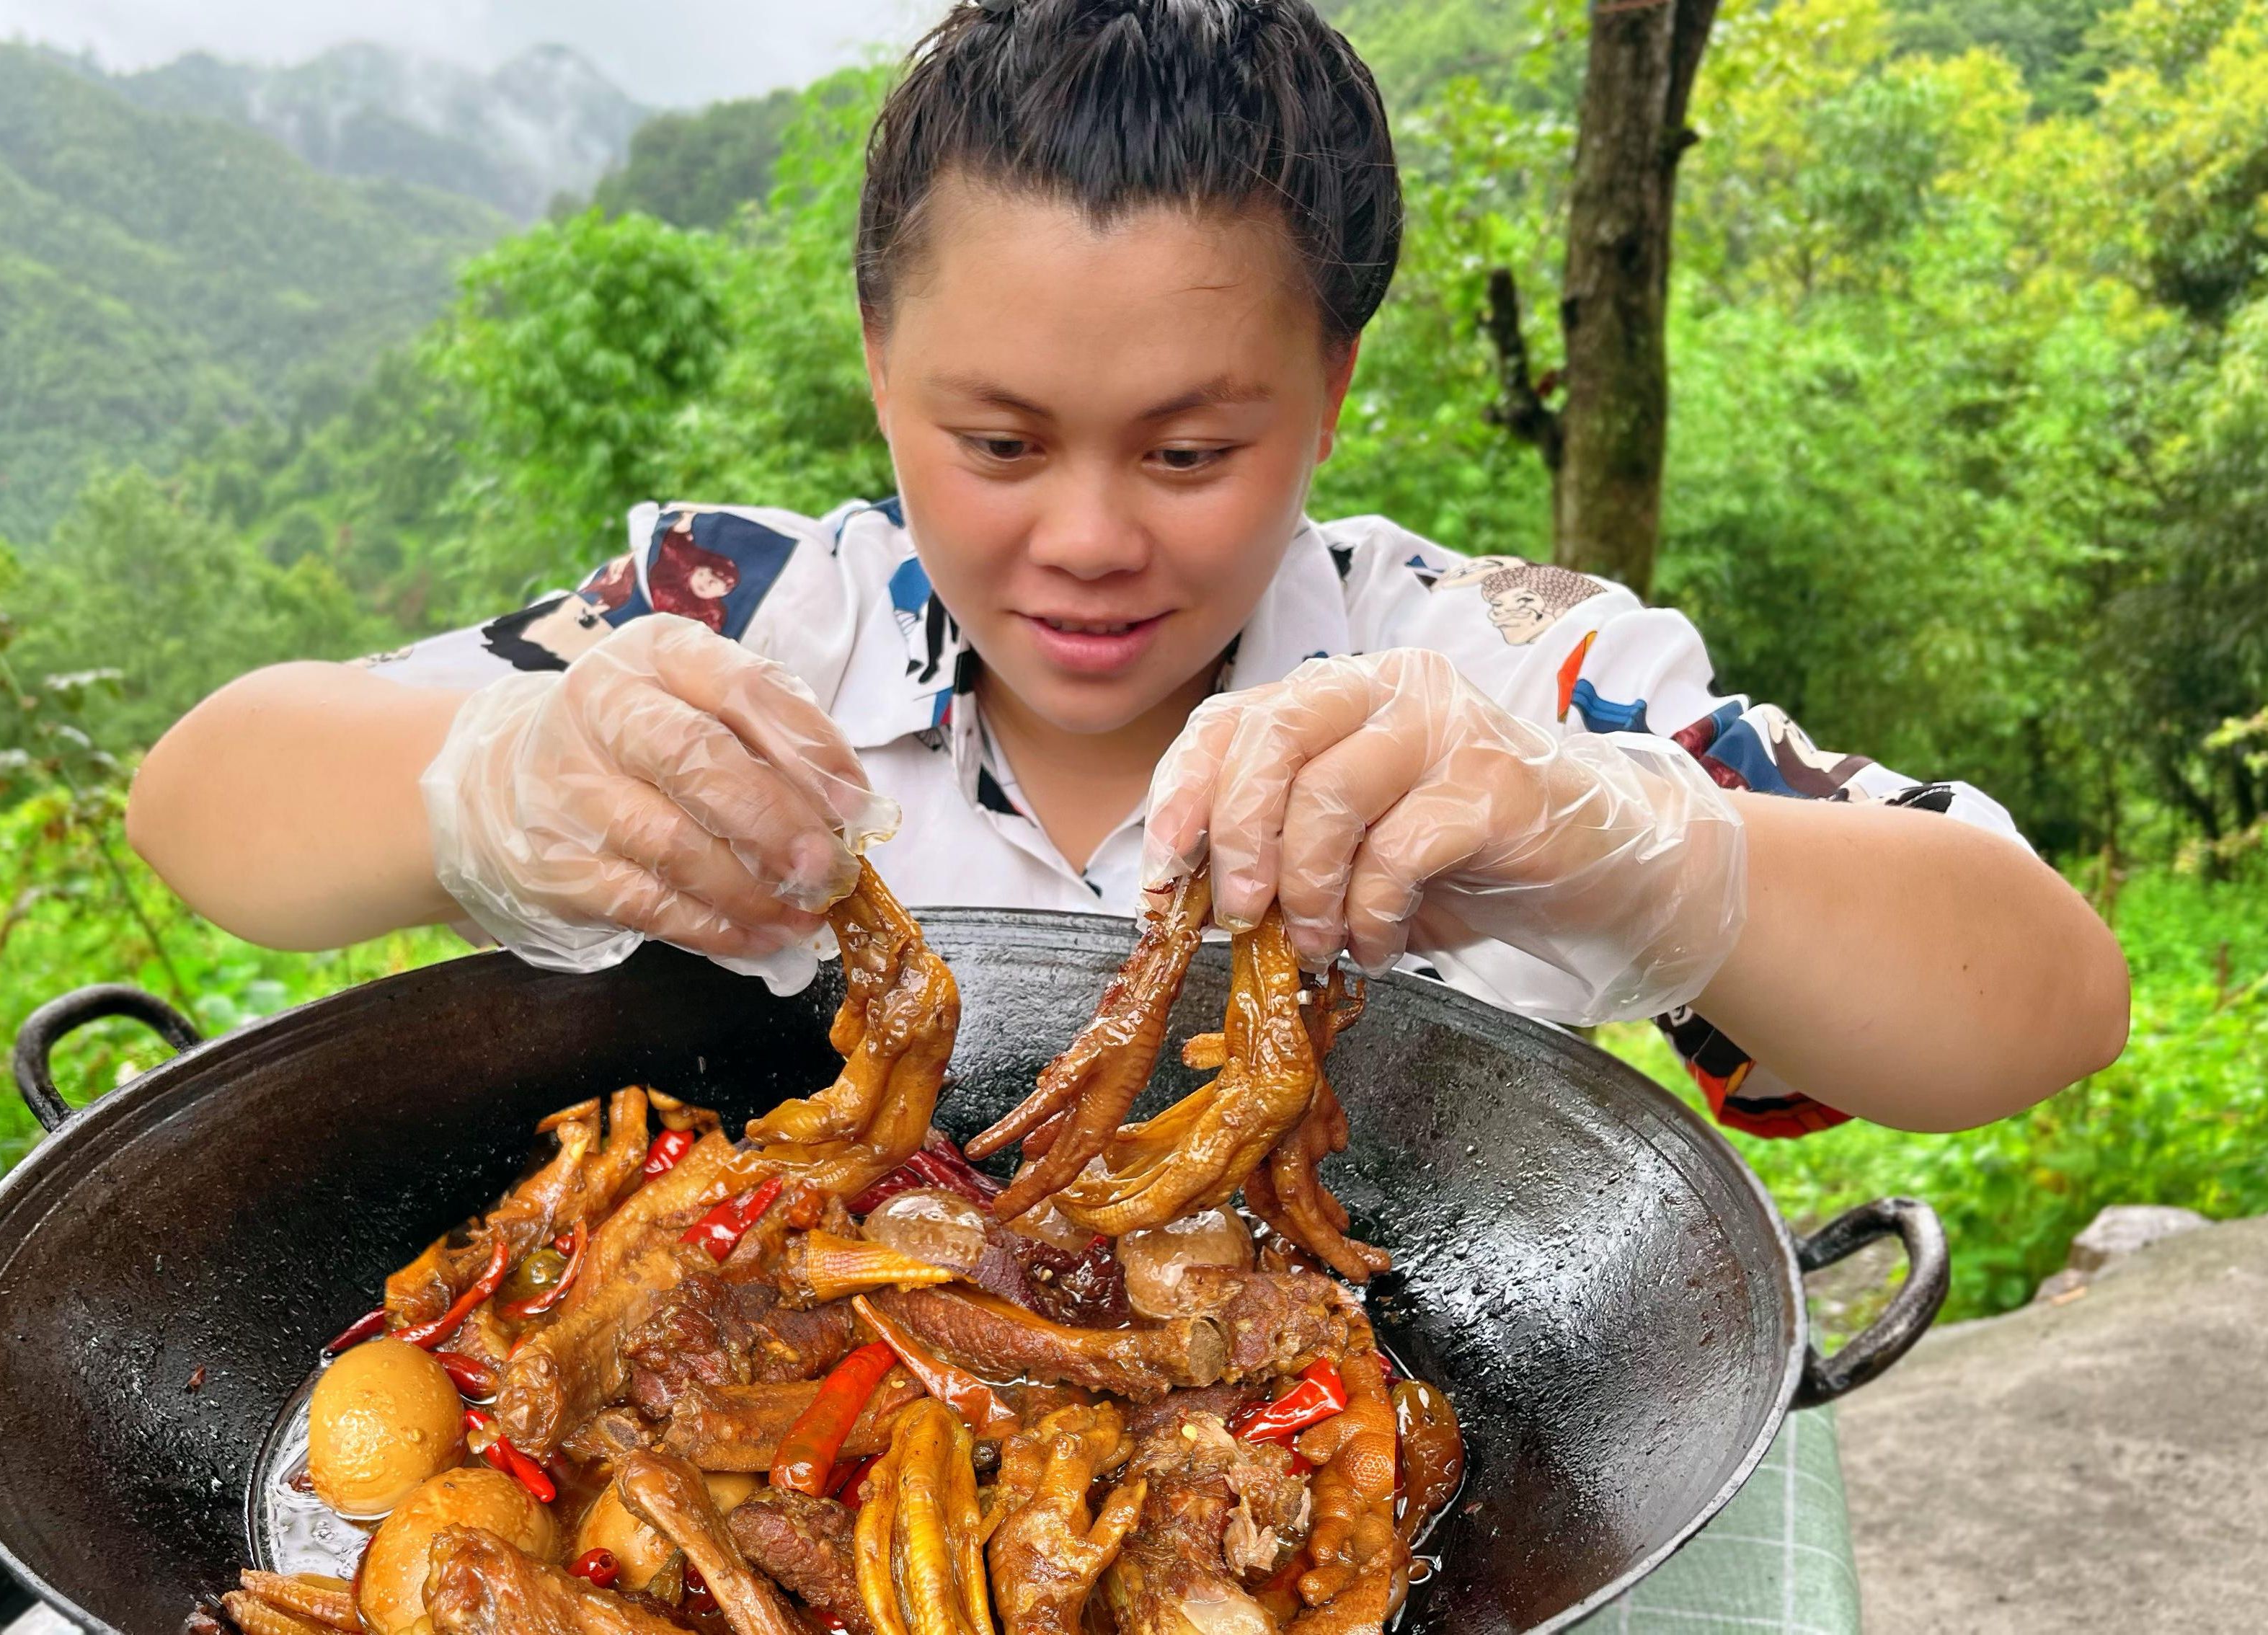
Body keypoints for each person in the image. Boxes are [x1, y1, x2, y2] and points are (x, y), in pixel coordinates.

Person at [128, 0, 2126, 1138]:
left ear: (1330, 385)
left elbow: (2045, 995)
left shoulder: (1492, 674)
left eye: (1190, 449)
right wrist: (479, 786)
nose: (1084, 539)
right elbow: (206, 803)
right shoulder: (740, 620)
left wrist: (1637, 851)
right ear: (878, 371)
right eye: (991, 443)